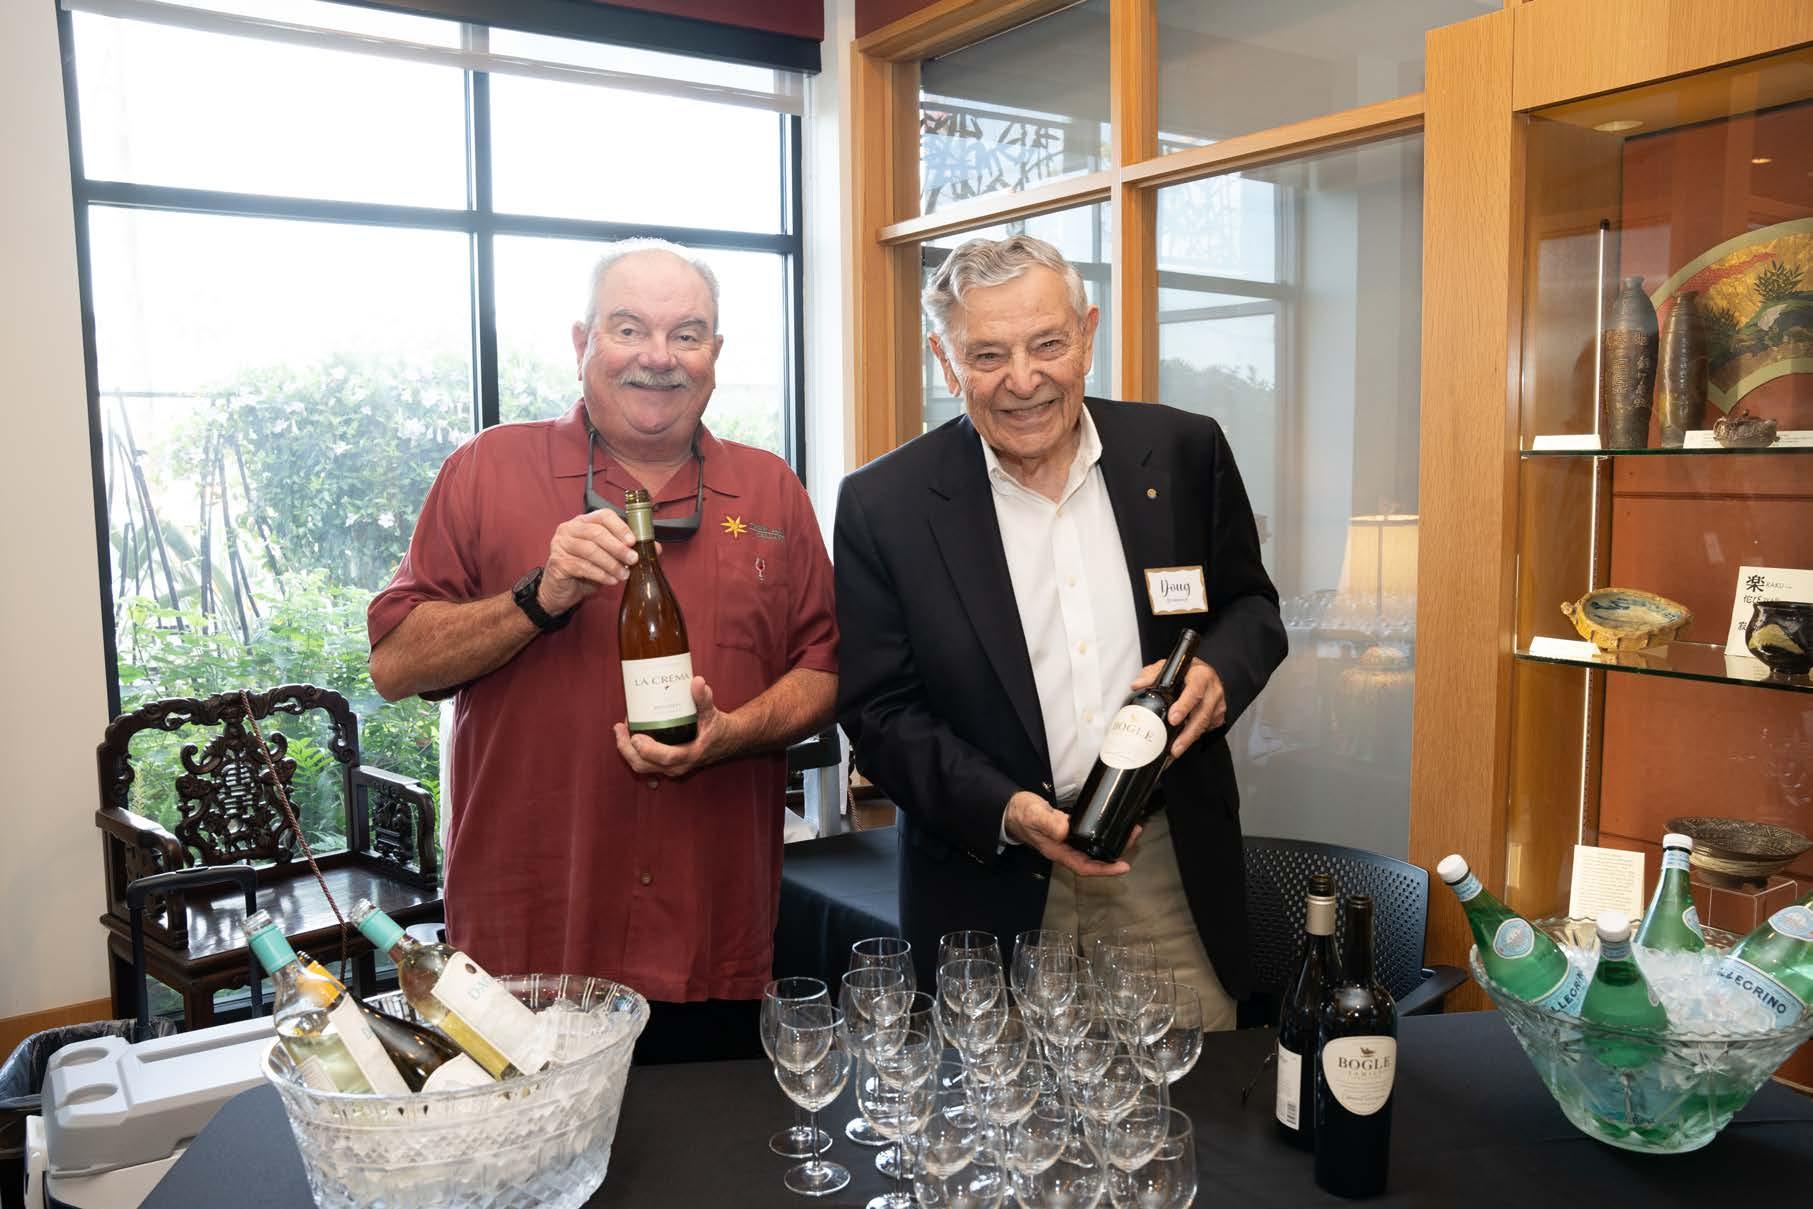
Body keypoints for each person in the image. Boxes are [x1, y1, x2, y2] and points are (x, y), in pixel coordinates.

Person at [368, 240, 837, 1062]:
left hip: (711, 939)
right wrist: (536, 597)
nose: (658, 356)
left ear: (715, 353)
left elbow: (823, 670)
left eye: (686, 334)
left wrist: (733, 732)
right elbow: (396, 662)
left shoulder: (771, 492)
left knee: (712, 1140)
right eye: (628, 329)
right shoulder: (486, 470)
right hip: (530, 948)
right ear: (582, 341)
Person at [834, 234, 1285, 1027]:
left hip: (1163, 866)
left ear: (1087, 335)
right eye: (987, 355)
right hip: (984, 882)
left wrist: (1218, 672)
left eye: (1047, 344)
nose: (1022, 379)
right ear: (946, 362)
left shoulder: (1183, 453)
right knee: (997, 1099)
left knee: (1188, 1090)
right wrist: (1007, 808)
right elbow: (879, 714)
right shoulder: (884, 504)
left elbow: (1250, 608)